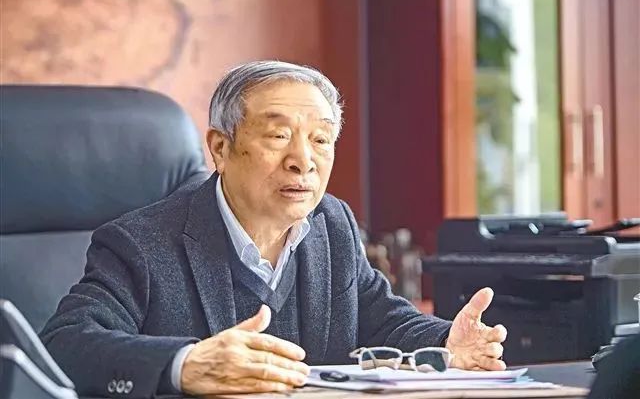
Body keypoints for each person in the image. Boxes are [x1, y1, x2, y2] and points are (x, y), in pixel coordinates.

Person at [40, 61, 507, 398]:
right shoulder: (142, 244)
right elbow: (64, 346)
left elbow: (380, 318)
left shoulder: (331, 224)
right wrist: (184, 365)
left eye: (321, 139)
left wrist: (444, 343)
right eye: (279, 135)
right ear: (220, 149)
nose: (303, 160)